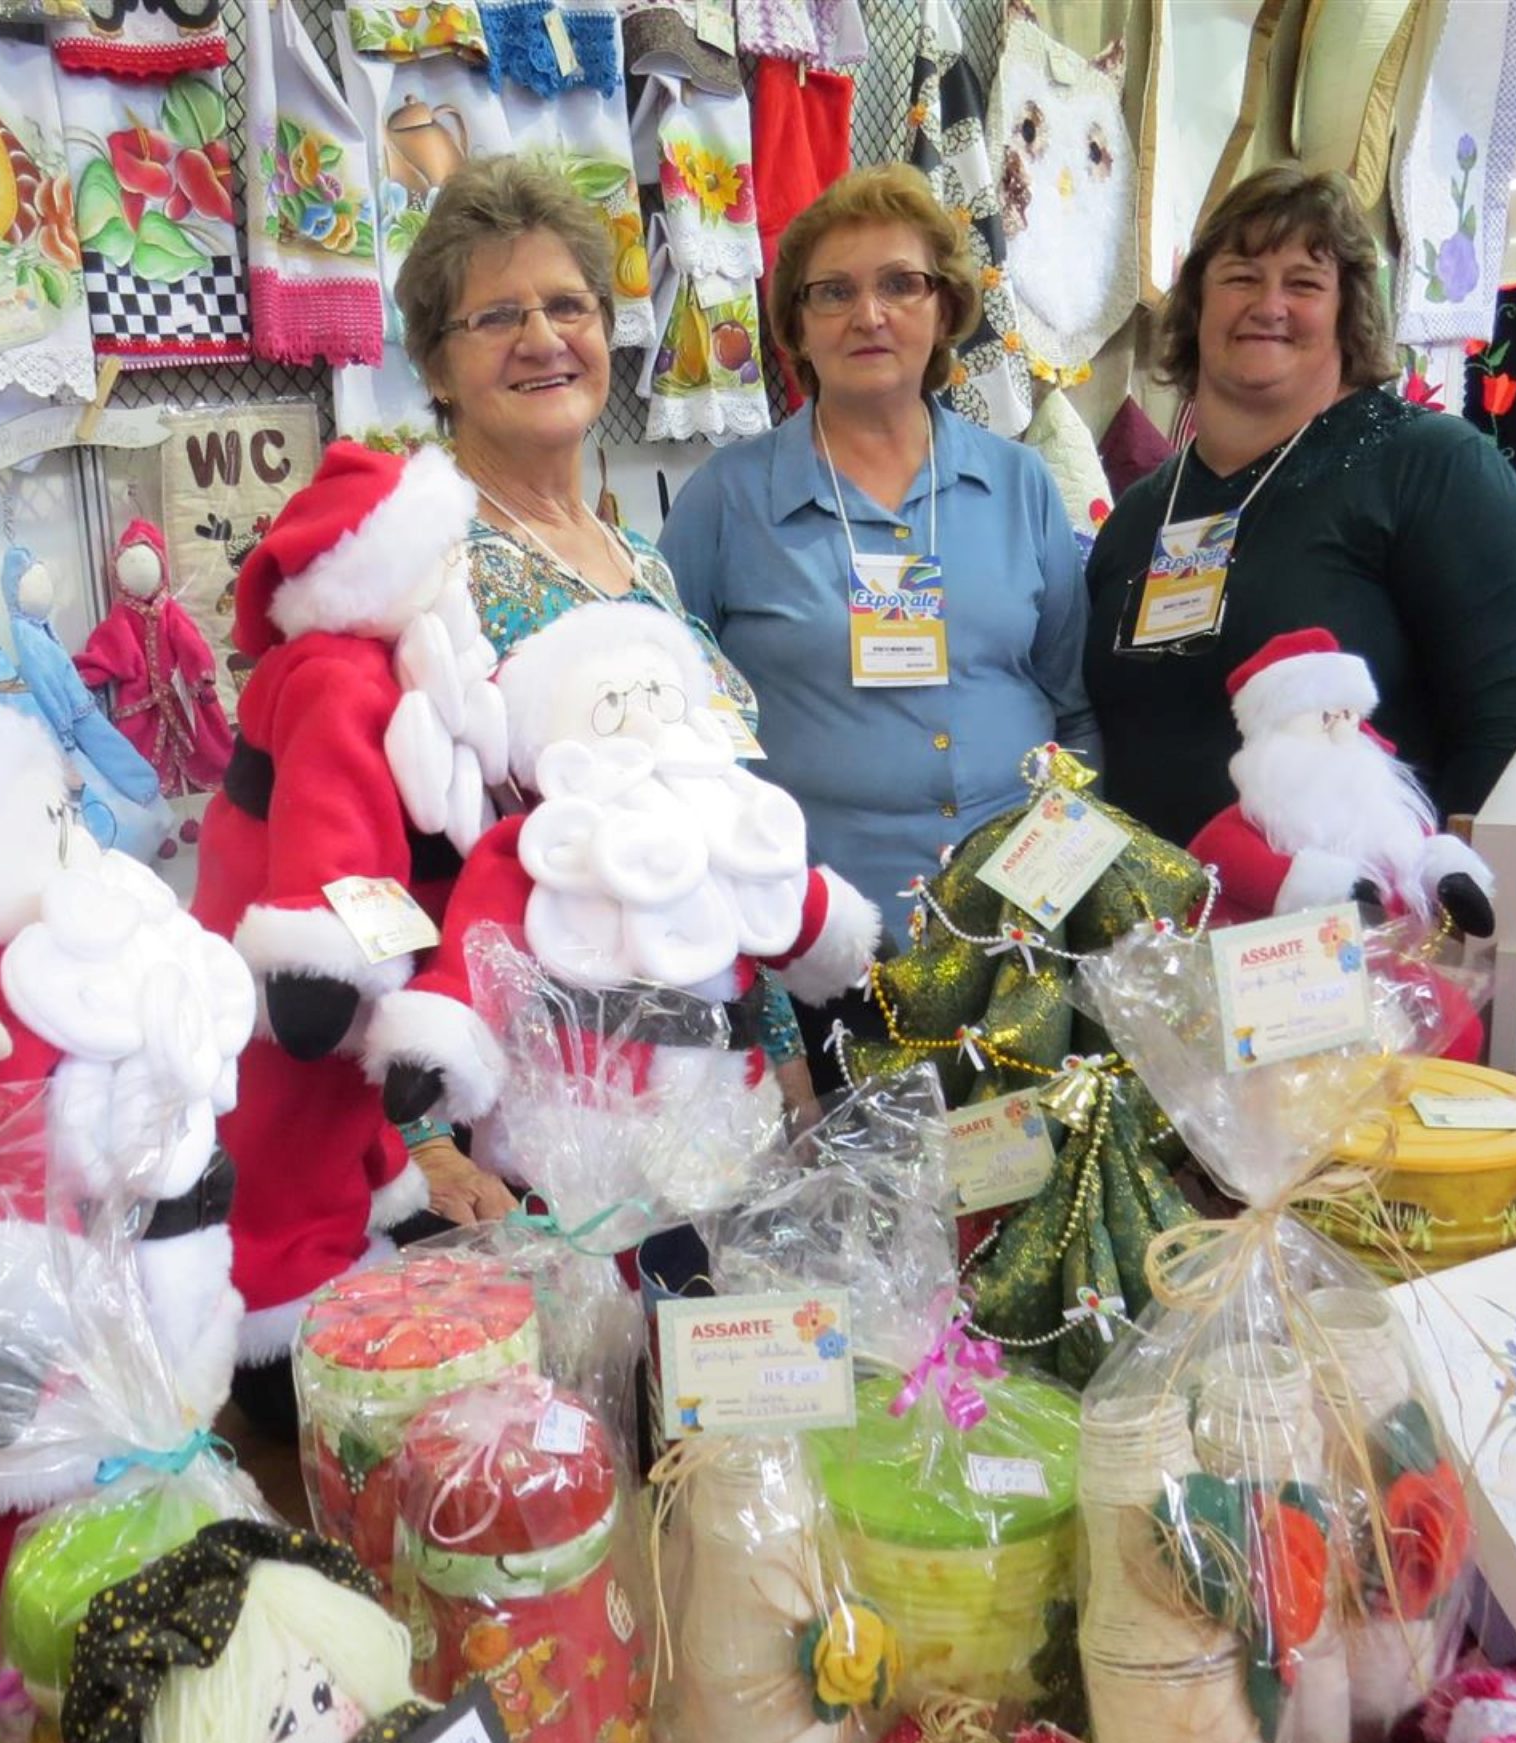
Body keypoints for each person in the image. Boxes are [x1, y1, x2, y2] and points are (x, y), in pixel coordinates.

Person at [390, 155, 813, 1211]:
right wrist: (420, 1137)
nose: (542, 338)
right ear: (436, 368)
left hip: (709, 1084)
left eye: (568, 306)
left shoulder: (642, 567)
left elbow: (718, 837)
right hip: (539, 1115)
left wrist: (780, 1048)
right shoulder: (421, 566)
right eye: (496, 316)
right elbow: (368, 859)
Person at [656, 165, 1099, 962]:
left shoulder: (1020, 484)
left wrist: (1060, 892)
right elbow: (669, 726)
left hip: (1018, 938)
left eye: (900, 284)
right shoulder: (727, 500)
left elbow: (1073, 713)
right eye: (834, 292)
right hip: (817, 944)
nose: (869, 315)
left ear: (945, 307)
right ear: (797, 325)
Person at [1082, 164, 1516, 851]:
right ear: (1197, 302)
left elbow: (1502, 741)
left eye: (1304, 283)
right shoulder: (1142, 513)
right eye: (1241, 277)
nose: (1269, 305)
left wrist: (1446, 902)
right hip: (1149, 914)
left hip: (1351, 912)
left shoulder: (1433, 468)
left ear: (1347, 311)